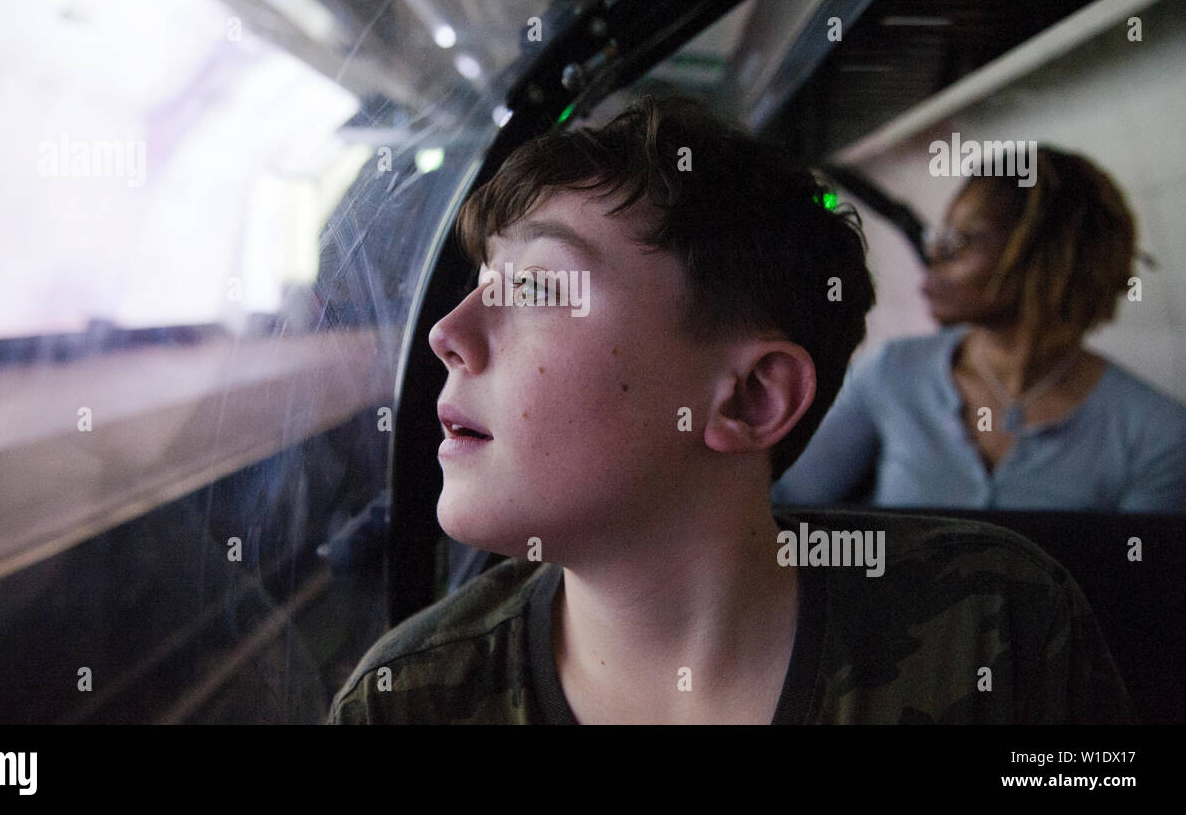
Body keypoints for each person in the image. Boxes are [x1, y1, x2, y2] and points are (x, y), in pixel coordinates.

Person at [329, 99, 1132, 723]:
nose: (446, 333)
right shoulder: (404, 698)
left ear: (752, 398)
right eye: (484, 279)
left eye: (540, 285)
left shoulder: (1004, 626)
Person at [774, 147, 1186, 513]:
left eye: (961, 239)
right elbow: (787, 503)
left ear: (1044, 257)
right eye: (940, 237)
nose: (934, 253)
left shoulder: (1158, 436)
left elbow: (1137, 586)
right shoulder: (891, 370)